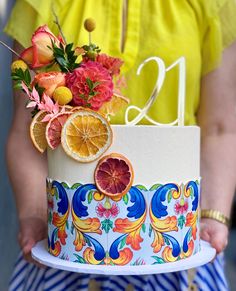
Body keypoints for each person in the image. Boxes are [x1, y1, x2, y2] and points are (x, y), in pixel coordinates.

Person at [4, 0, 236, 290]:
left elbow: (220, 129)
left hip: (178, 248)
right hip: (68, 249)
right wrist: (35, 214)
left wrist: (213, 215)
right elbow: (26, 132)